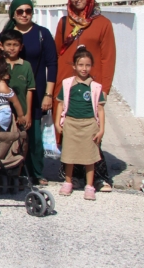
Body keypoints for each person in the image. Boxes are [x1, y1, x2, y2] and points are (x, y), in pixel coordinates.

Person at [53, 0, 116, 192]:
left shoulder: (102, 23)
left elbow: (108, 58)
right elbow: (56, 55)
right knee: (68, 131)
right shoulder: (64, 23)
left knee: (92, 131)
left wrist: (104, 90)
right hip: (67, 85)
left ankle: (98, 177)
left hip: (92, 87)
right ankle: (72, 177)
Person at [0, 0, 57, 186]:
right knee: (9, 131)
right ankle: (10, 169)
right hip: (7, 93)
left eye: (28, 11)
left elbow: (52, 64)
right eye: (20, 11)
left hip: (35, 91)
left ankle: (36, 172)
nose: (24, 15)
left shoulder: (42, 34)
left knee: (34, 136)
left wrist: (49, 94)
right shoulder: (7, 35)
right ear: (13, 14)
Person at [56, 48, 106, 201]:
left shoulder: (96, 87)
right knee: (69, 155)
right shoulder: (67, 84)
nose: (84, 69)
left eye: (88, 65)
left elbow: (100, 109)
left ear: (92, 66)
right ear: (74, 66)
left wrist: (101, 129)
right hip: (71, 123)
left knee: (89, 157)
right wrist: (58, 123)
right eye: (81, 65)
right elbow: (60, 104)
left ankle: (89, 186)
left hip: (89, 124)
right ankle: (68, 182)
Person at [0, 30, 36, 131]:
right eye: (8, 44)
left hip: (21, 114)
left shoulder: (26, 65)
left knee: (21, 142)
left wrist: (28, 114)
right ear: (1, 46)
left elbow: (29, 90)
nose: (12, 48)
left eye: (15, 45)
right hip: (1, 113)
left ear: (21, 47)